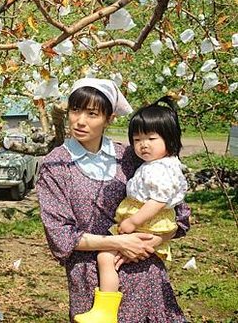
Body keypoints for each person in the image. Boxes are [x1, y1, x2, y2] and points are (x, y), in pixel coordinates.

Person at [36, 78, 190, 323]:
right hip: (95, 280)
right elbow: (60, 235)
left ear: (109, 119)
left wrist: (149, 242)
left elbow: (178, 213)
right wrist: (119, 242)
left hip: (146, 270)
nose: (80, 121)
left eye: (92, 113)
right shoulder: (55, 166)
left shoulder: (130, 156)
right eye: (75, 110)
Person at [74, 96, 188, 322]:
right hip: (145, 226)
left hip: (146, 224)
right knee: (109, 257)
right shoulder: (152, 164)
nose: (143, 144)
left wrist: (134, 223)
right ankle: (105, 309)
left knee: (106, 257)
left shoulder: (160, 169)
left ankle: (105, 311)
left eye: (151, 138)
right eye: (137, 139)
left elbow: (159, 200)